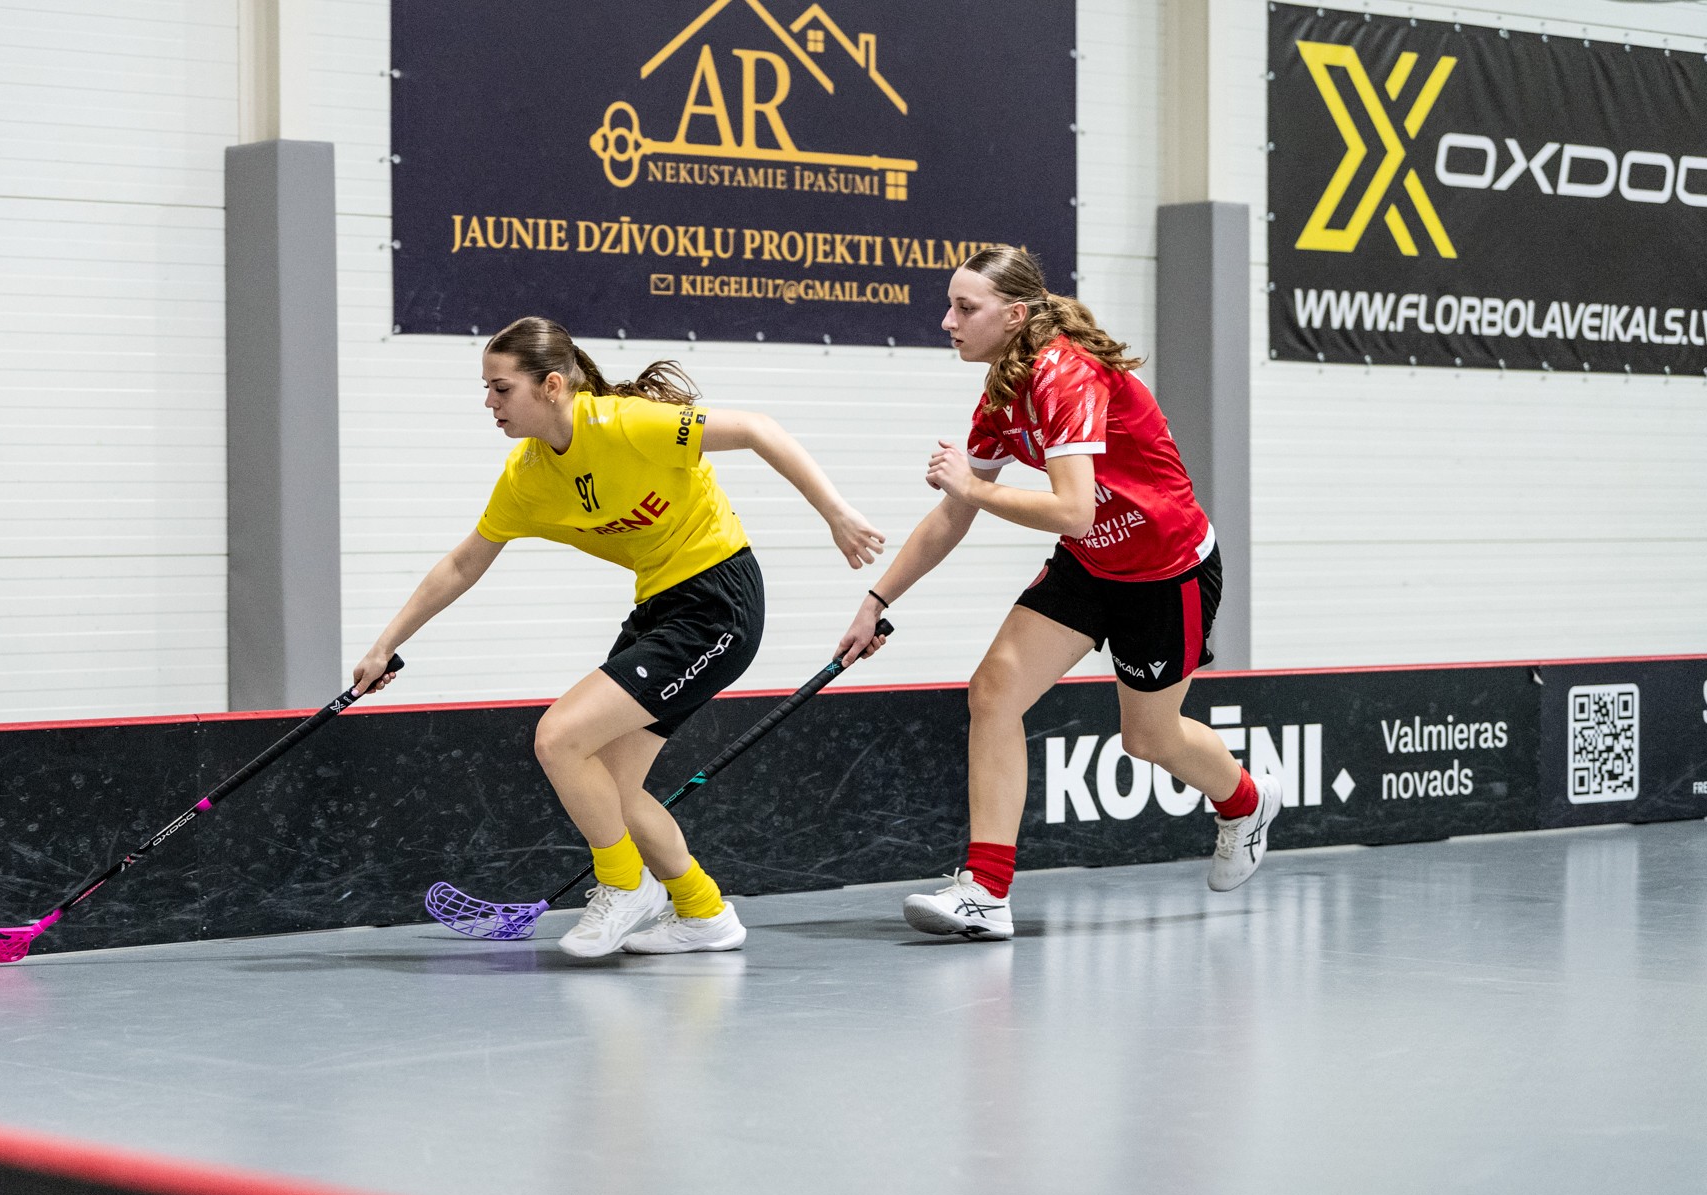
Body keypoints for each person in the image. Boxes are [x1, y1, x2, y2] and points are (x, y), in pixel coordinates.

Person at [354, 317, 884, 957]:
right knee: (611, 788)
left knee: (559, 737)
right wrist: (384, 644)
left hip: (717, 602)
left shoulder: (626, 424)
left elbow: (757, 429)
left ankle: (624, 884)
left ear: (552, 385)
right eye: (487, 389)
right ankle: (703, 912)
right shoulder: (527, 475)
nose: (489, 402)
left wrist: (837, 514)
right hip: (659, 608)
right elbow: (464, 563)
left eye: (501, 388)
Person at [835, 246, 1279, 940]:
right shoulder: (1002, 395)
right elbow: (955, 515)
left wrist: (975, 487)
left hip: (1166, 571)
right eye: (951, 306)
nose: (947, 321)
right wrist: (877, 601)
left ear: (1015, 315)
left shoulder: (1064, 375)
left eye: (965, 308)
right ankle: (986, 891)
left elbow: (1072, 508)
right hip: (1089, 565)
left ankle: (1246, 801)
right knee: (993, 692)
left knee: (1149, 738)